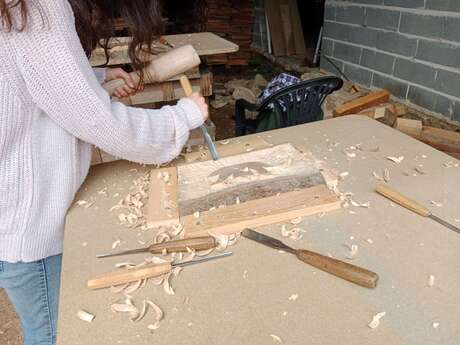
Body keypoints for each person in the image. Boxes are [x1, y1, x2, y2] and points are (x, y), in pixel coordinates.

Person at [0, 1, 208, 345]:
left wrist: (90, 79)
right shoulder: (34, 7)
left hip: (8, 212)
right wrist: (181, 117)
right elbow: (101, 123)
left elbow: (18, 77)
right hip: (28, 226)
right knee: (54, 335)